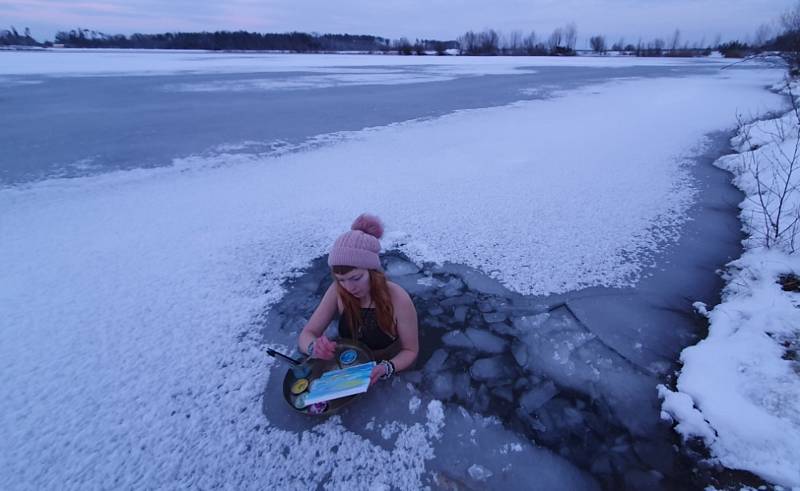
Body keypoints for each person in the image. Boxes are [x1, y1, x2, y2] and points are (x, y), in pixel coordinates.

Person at [298, 214, 419, 385]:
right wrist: (313, 347)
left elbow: (410, 350)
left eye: (355, 278)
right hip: (345, 369)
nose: (348, 287)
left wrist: (387, 367)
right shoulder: (337, 291)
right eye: (341, 279)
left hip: (381, 373)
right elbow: (307, 334)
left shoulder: (398, 298)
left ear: (372, 271)